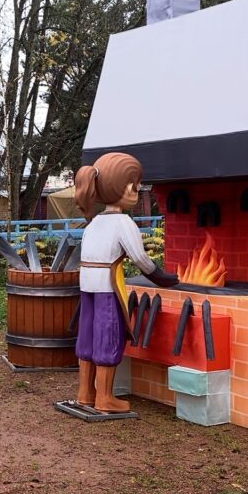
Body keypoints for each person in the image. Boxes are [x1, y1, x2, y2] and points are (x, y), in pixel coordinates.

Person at [73, 152, 178, 413]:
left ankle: (85, 393)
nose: (139, 189)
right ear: (127, 186)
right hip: (108, 288)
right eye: (136, 183)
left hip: (86, 284)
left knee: (88, 334)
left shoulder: (94, 222)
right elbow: (140, 259)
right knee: (108, 335)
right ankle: (105, 398)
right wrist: (162, 278)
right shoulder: (123, 223)